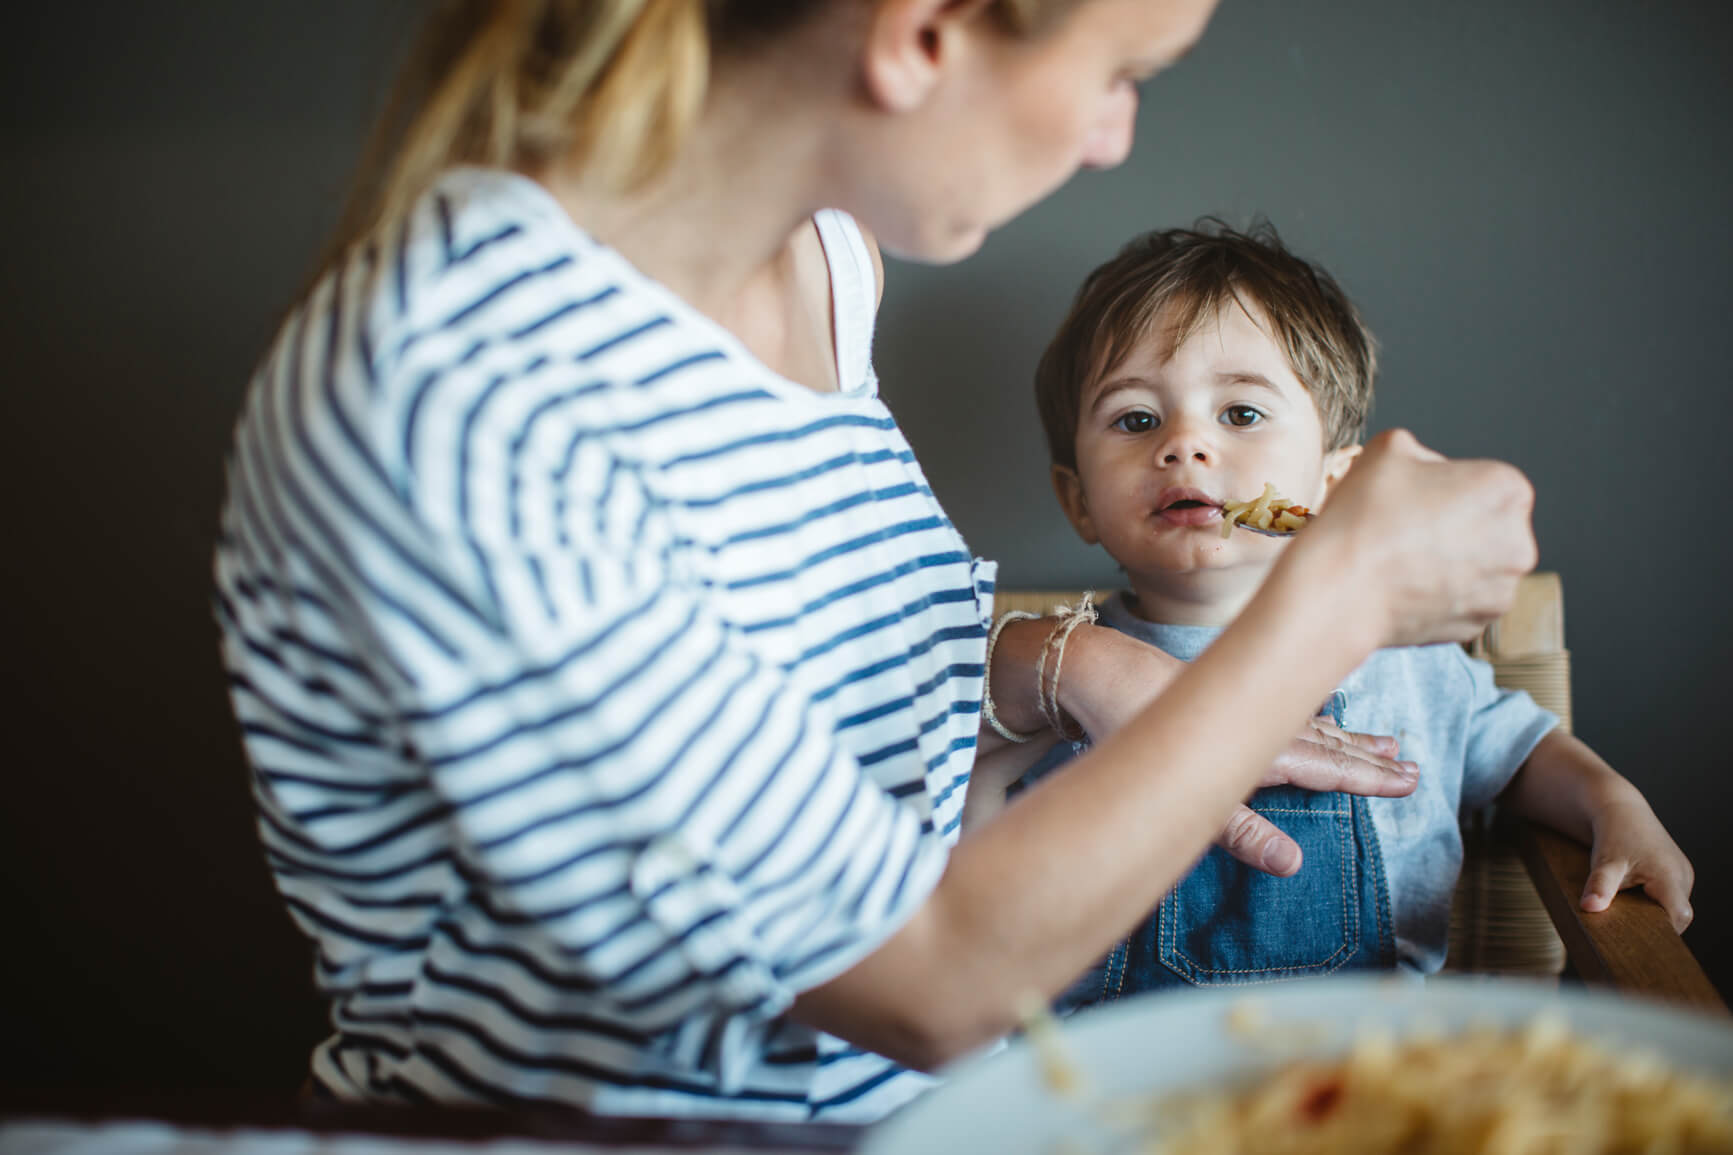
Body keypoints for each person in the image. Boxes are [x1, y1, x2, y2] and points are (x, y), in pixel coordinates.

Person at [212, 0, 1536, 1124]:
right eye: (1118, 71)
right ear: (922, 32)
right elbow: (927, 982)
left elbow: (810, 672)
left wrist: (1053, 662)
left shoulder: (818, 264)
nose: (1110, 134)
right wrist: (1335, 595)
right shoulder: (467, 390)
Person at [1005, 219, 1691, 1006]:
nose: (1185, 443)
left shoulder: (1404, 654)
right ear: (1077, 500)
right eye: (1135, 419)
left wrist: (1614, 803)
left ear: (1334, 485)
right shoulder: (1054, 680)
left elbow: (1517, 750)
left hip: (1374, 1060)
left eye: (1240, 414)